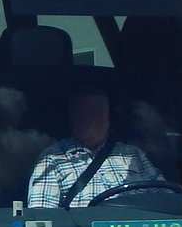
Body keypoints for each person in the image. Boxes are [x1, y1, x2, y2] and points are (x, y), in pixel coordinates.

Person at [26, 86, 164, 208]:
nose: (91, 119)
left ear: (108, 118)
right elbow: (41, 220)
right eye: (84, 112)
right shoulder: (52, 160)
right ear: (72, 117)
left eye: (97, 112)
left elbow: (167, 200)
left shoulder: (134, 155)